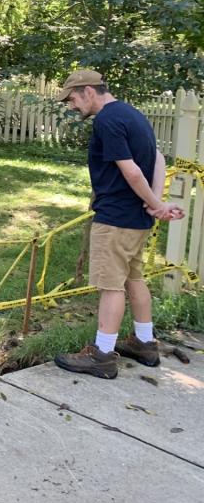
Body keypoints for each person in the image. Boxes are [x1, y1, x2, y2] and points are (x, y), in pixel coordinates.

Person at [53, 69, 184, 379]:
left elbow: (132, 172)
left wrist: (157, 204)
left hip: (115, 219)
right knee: (133, 278)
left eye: (72, 98)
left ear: (88, 91)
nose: (72, 105)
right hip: (136, 220)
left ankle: (102, 356)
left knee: (110, 286)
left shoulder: (107, 120)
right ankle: (144, 342)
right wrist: (154, 205)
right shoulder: (133, 115)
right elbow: (158, 159)